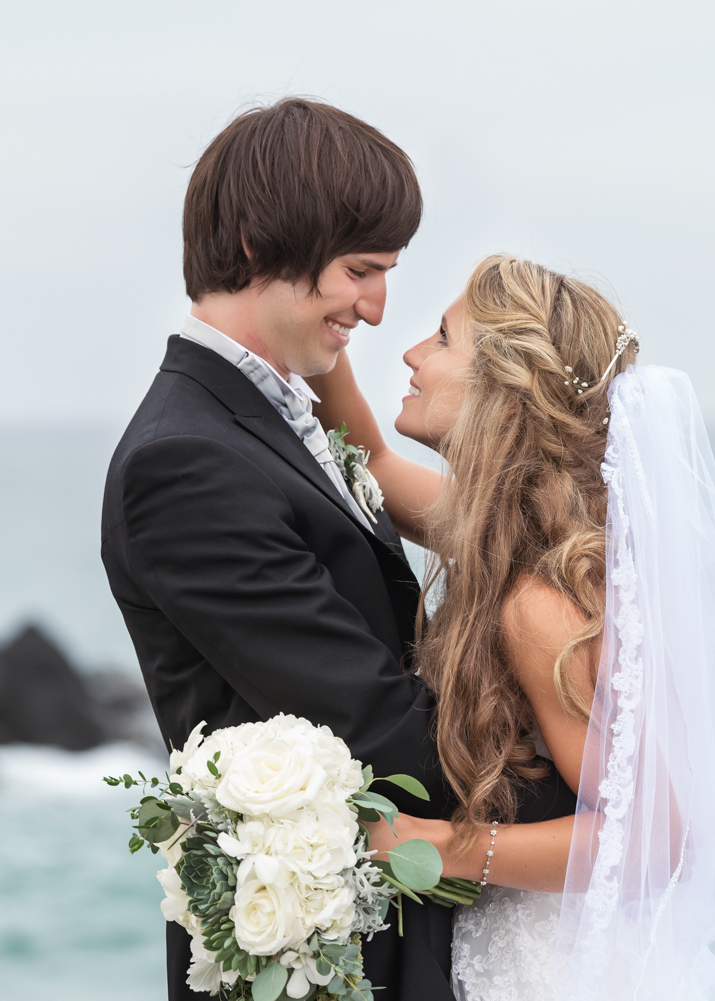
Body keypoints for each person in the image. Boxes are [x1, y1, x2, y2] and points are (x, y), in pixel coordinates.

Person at [101, 102, 577, 1001]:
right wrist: (589, 812)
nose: (376, 305)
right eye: (361, 270)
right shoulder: (186, 464)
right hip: (311, 963)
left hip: (397, 939)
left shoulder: (276, 415)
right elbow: (380, 721)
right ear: (254, 243)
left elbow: (380, 464)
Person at [309, 255, 715, 999]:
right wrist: (316, 321)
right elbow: (371, 456)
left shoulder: (539, 604)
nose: (411, 353)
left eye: (442, 338)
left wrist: (441, 845)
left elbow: (655, 838)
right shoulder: (503, 540)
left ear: (502, 392)